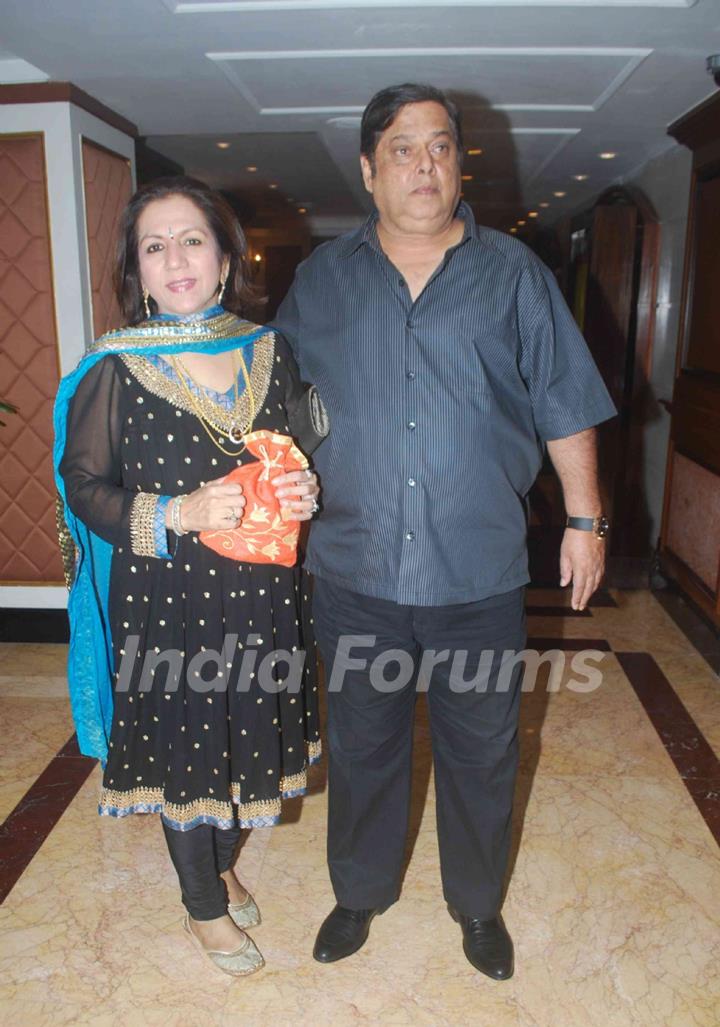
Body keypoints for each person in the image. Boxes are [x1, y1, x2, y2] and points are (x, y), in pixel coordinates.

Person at [273, 83, 616, 980]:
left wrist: (585, 519)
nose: (423, 165)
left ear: (457, 163)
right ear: (367, 168)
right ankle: (360, 892)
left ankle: (476, 904)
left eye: (438, 147)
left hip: (479, 572)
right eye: (401, 148)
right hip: (354, 566)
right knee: (363, 742)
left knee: (480, 748)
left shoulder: (513, 275)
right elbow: (277, 406)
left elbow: (565, 404)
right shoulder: (322, 279)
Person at [54, 176, 327, 977]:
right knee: (189, 751)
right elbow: (85, 487)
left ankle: (220, 861)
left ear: (225, 254)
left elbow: (290, 455)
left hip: (263, 597)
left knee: (249, 741)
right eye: (154, 245)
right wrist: (178, 513)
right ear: (135, 269)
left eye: (192, 239)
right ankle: (201, 904)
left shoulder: (269, 351)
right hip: (167, 600)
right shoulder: (116, 367)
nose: (175, 258)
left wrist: (302, 487)